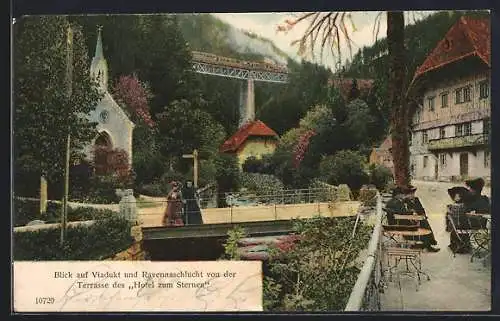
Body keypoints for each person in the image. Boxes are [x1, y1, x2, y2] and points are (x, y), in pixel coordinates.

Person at [401, 185, 440, 252]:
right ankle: (428, 246)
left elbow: (421, 209)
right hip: (410, 221)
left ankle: (428, 244)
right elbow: (405, 212)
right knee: (424, 225)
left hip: (419, 218)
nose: (412, 195)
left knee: (425, 222)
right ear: (406, 195)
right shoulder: (405, 202)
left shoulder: (416, 199)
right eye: (410, 194)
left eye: (413, 193)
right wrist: (413, 214)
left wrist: (423, 215)